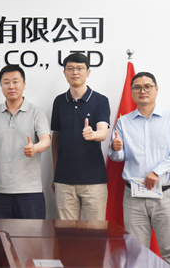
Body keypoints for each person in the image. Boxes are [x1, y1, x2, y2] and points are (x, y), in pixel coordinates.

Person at [109, 72, 170, 268]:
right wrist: (116, 149)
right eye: (137, 87)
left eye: (147, 86)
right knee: (135, 254)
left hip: (165, 195)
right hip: (134, 197)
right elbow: (118, 157)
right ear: (132, 92)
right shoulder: (124, 122)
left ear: (156, 89)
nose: (142, 90)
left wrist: (157, 172)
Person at [0, 64, 51, 219]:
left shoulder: (36, 113)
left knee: (32, 235)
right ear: (1, 86)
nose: (11, 86)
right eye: (6, 82)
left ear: (24, 84)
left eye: (15, 81)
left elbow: (46, 140)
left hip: (30, 192)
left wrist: (35, 148)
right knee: (1, 234)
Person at [51, 53, 110, 220]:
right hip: (64, 181)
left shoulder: (100, 100)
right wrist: (55, 173)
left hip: (94, 181)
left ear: (88, 72)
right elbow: (56, 137)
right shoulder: (59, 101)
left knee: (96, 231)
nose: (75, 72)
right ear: (64, 72)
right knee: (67, 232)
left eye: (79, 68)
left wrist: (93, 134)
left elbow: (103, 132)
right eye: (70, 68)